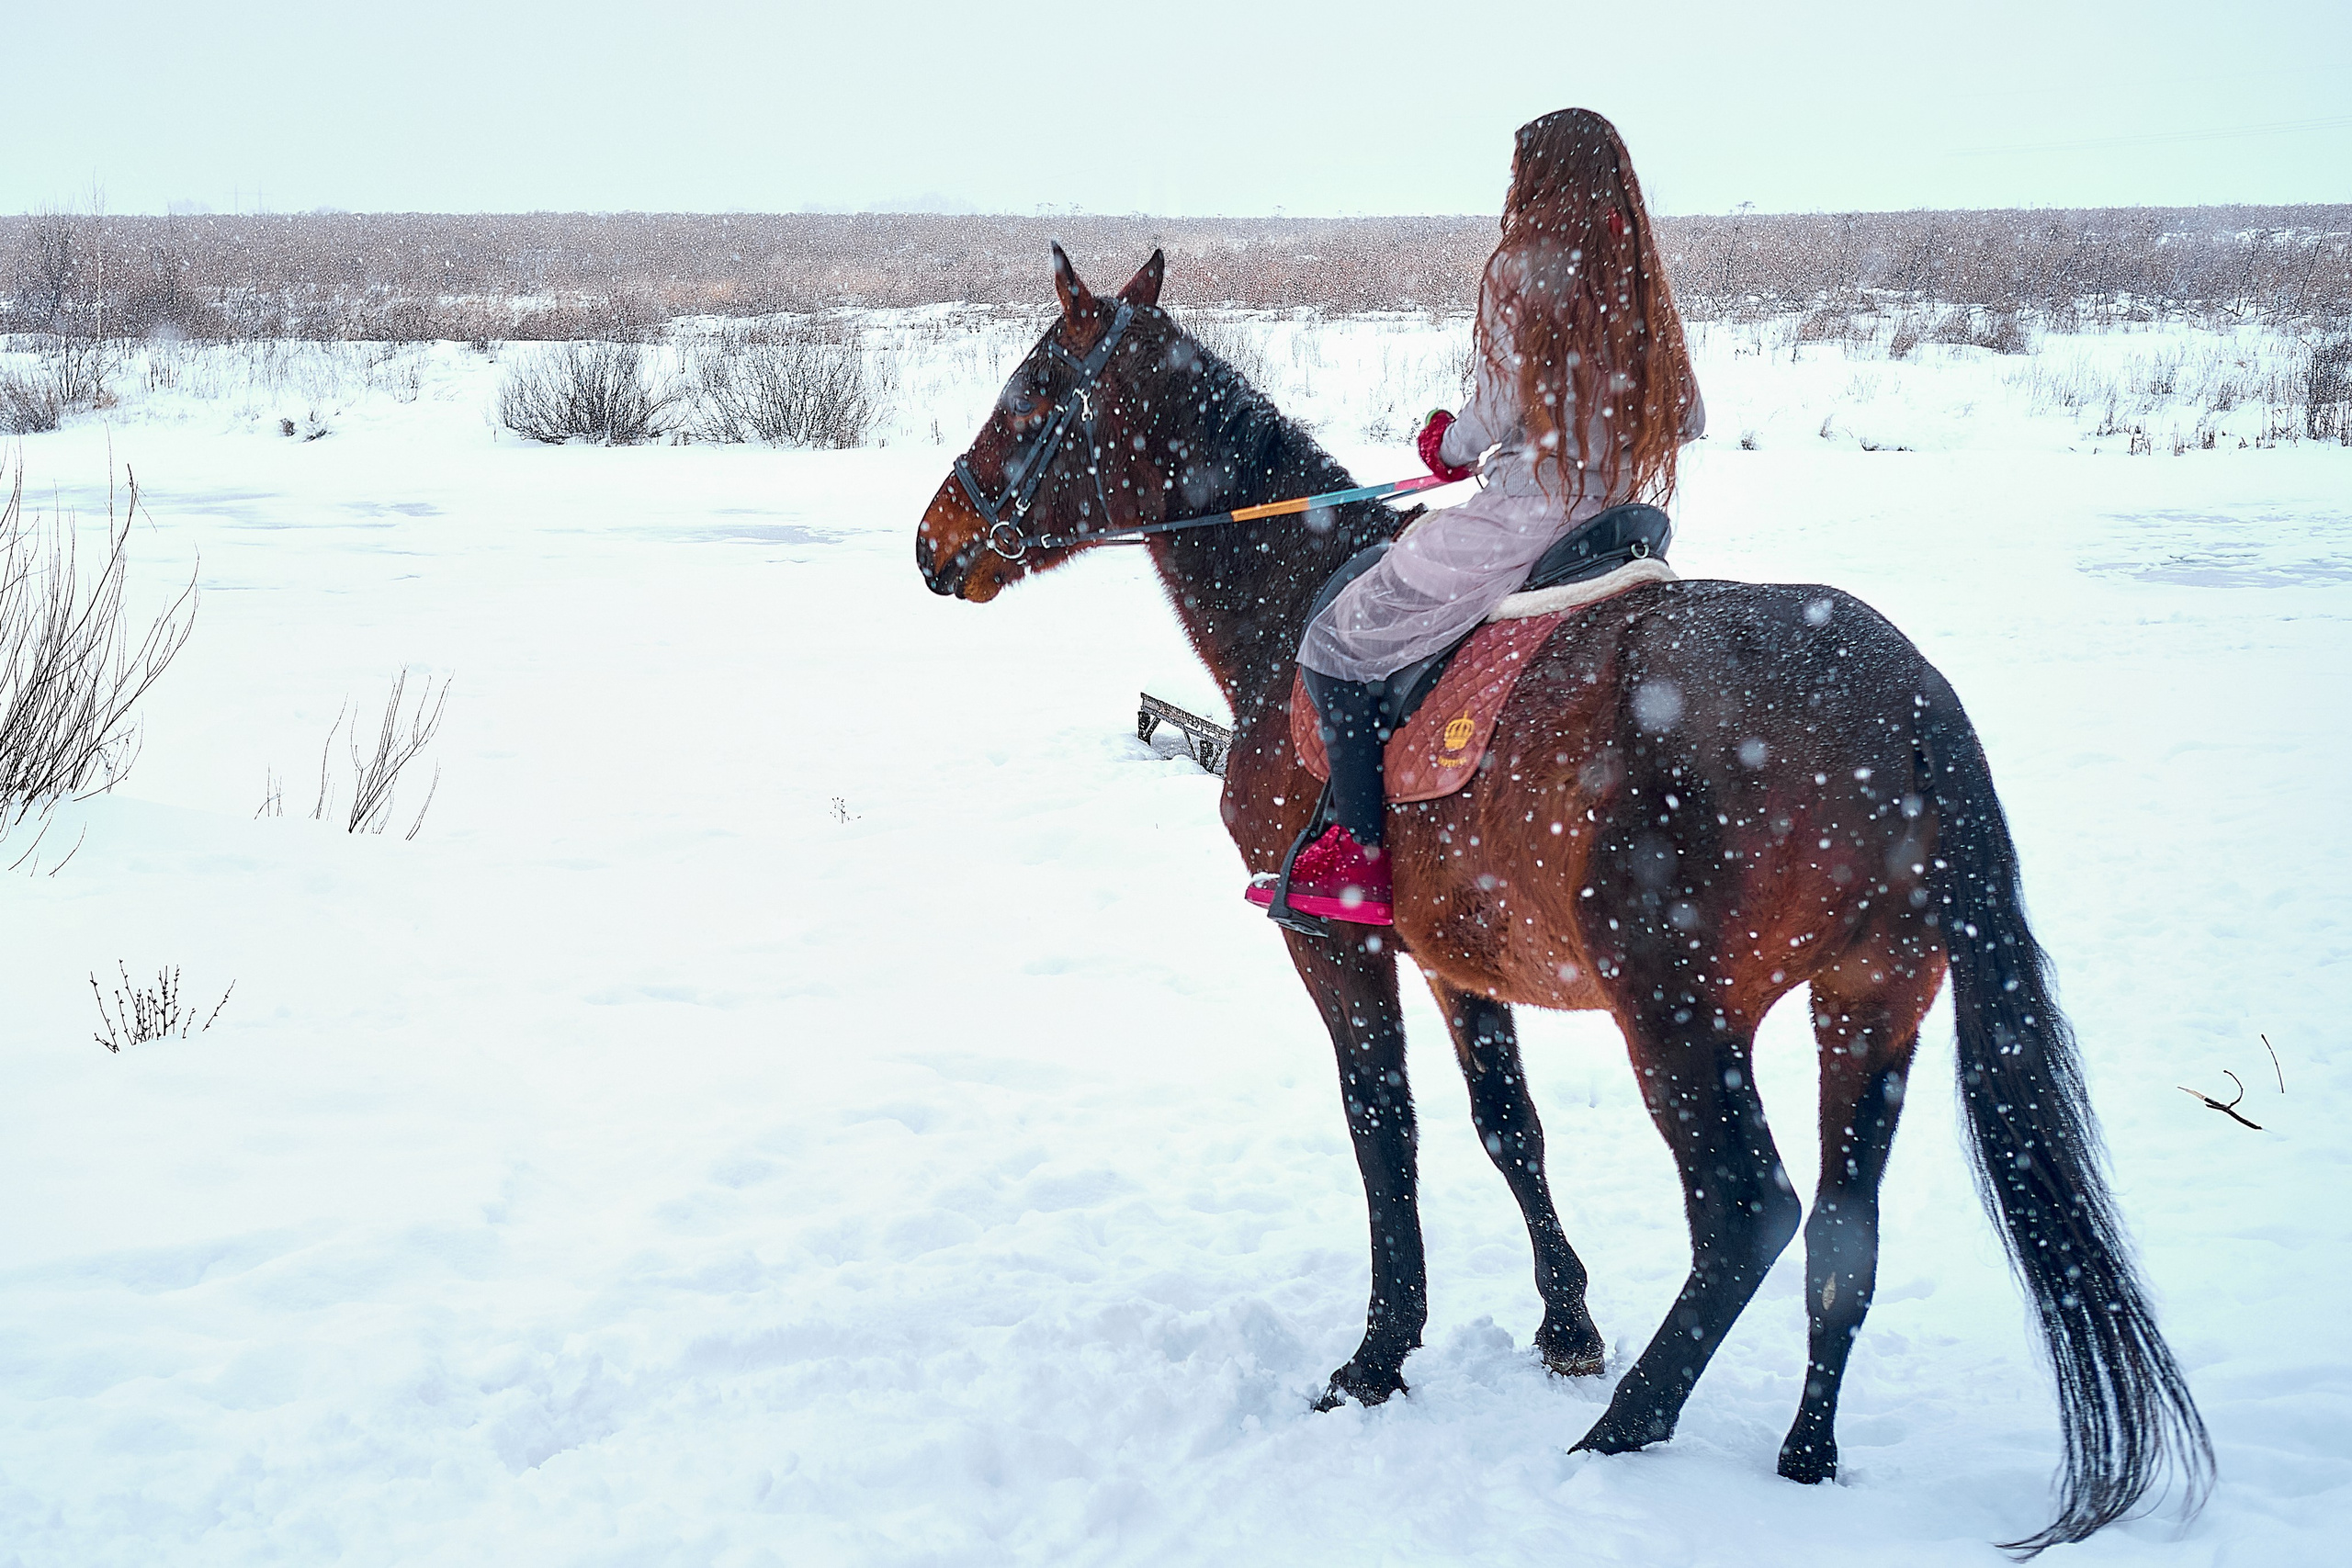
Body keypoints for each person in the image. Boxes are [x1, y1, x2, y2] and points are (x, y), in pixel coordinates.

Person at [1257, 107, 1706, 926]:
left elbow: (1493, 415)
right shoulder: (1633, 269)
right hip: (1617, 519)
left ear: (1538, 177)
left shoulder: (1524, 268)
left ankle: (1360, 849)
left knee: (1335, 640)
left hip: (1530, 512)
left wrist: (1447, 443)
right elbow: (1687, 415)